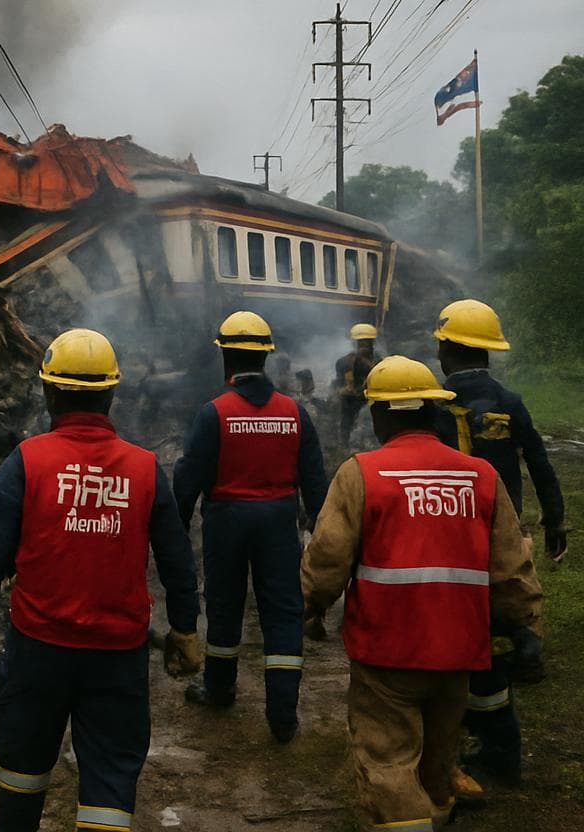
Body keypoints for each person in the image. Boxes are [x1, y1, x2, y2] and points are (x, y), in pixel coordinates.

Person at [0, 328, 202, 832]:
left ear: (48, 391)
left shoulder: (27, 462)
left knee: (22, 771)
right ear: (111, 393)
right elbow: (176, 559)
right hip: (118, 658)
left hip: (38, 651)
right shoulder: (145, 469)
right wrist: (185, 630)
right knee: (108, 786)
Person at [301, 356, 542, 832]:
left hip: (387, 652)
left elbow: (327, 559)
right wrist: (527, 626)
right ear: (432, 410)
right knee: (437, 765)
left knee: (389, 763)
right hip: (458, 652)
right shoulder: (481, 477)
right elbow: (512, 567)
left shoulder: (362, 474)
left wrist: (311, 607)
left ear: (380, 415)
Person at [174, 310, 328, 743]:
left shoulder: (214, 413)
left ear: (225, 359)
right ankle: (283, 715)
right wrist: (321, 531)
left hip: (227, 520)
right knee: (282, 612)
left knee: (225, 604)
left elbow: (189, 476)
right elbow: (315, 481)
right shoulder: (294, 413)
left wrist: (177, 527)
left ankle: (220, 689)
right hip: (279, 519)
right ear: (265, 359)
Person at [431, 298, 562, 790]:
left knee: (467, 636)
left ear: (446, 351)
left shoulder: (434, 403)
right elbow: (540, 463)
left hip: (450, 535)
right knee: (511, 606)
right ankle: (525, 649)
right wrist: (556, 520)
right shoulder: (510, 402)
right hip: (505, 534)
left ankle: (474, 727)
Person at [335, 323, 381, 447]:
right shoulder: (344, 362)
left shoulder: (379, 362)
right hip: (351, 401)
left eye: (367, 342)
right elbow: (339, 384)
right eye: (362, 342)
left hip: (372, 401)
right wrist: (345, 391)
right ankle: (345, 446)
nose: (364, 346)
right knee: (347, 425)